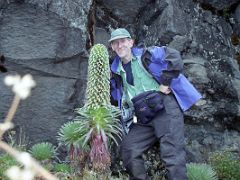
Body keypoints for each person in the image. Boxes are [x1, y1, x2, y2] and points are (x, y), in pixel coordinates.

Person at [109, 28, 201, 180]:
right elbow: (115, 97)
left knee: (172, 155)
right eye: (115, 43)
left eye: (123, 41)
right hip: (143, 114)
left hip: (165, 107)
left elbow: (175, 57)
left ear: (131, 42)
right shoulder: (115, 70)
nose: (120, 45)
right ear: (112, 47)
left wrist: (165, 82)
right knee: (129, 148)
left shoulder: (147, 54)